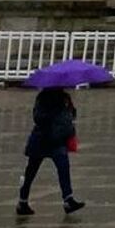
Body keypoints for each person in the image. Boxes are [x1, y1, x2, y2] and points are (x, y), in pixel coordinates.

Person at [18, 87, 86, 216]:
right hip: (42, 139)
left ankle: (68, 199)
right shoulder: (43, 97)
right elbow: (38, 117)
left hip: (58, 140)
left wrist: (69, 108)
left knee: (63, 168)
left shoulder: (65, 97)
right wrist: (54, 113)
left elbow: (70, 115)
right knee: (31, 171)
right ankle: (22, 200)